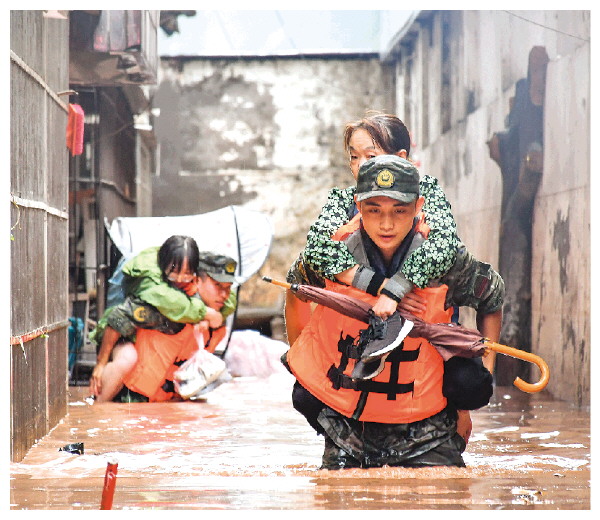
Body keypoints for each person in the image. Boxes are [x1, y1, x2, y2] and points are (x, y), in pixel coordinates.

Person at [285, 155, 503, 469]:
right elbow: (295, 288)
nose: (386, 224)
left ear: (417, 207)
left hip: (427, 428)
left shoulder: (443, 260)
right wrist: (304, 362)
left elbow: (492, 297)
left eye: (399, 211)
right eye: (374, 210)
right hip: (348, 426)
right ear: (359, 207)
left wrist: (480, 381)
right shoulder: (334, 254)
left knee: (447, 491)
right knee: (336, 492)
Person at [89, 235, 238, 402]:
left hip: (161, 389)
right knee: (126, 358)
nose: (180, 280)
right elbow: (117, 319)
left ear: (194, 275)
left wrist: (206, 317)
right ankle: (98, 406)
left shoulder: (209, 307)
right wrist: (100, 365)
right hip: (121, 344)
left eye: (186, 275)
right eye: (217, 286)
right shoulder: (163, 301)